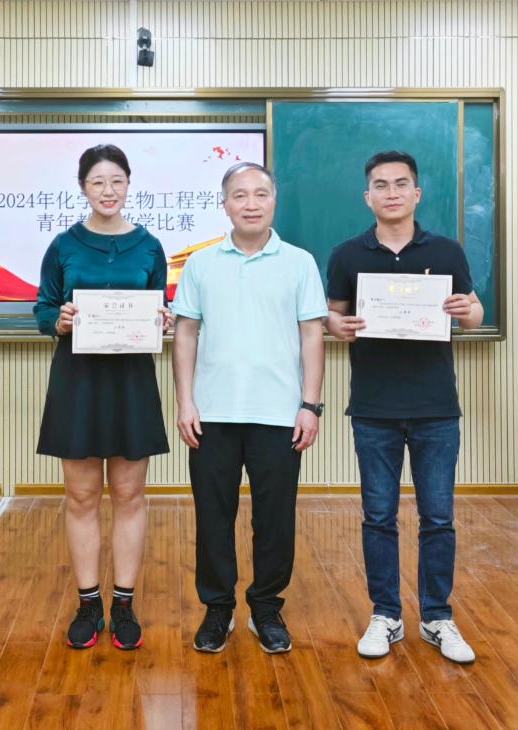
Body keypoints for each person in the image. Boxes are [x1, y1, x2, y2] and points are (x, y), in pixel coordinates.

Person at [325, 150, 484, 664]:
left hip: (436, 407)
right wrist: (338, 326)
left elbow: (474, 312)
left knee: (438, 516)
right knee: (379, 515)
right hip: (374, 407)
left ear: (417, 193)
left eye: (400, 184)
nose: (390, 193)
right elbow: (332, 315)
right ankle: (386, 615)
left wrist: (466, 310)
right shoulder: (348, 255)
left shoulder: (447, 251)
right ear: (366, 196)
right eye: (380, 185)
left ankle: (437, 617)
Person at [172, 161, 326, 654]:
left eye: (261, 194)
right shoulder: (201, 263)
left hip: (279, 413)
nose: (251, 203)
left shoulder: (300, 262)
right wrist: (185, 401)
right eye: (240, 195)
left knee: (275, 518)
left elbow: (312, 335)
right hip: (212, 413)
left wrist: (310, 405)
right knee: (212, 516)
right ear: (225, 204)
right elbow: (185, 333)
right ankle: (218, 609)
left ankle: (266, 608)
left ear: (274, 201)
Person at [34, 144, 173, 651]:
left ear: (129, 184)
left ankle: (124, 603)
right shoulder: (63, 245)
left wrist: (164, 320)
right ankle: (88, 603)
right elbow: (43, 308)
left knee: (130, 495)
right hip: (78, 381)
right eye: (97, 182)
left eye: (116, 181)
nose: (108, 190)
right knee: (82, 496)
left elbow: (161, 304)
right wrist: (58, 320)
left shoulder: (149, 246)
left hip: (132, 381)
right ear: (83, 188)